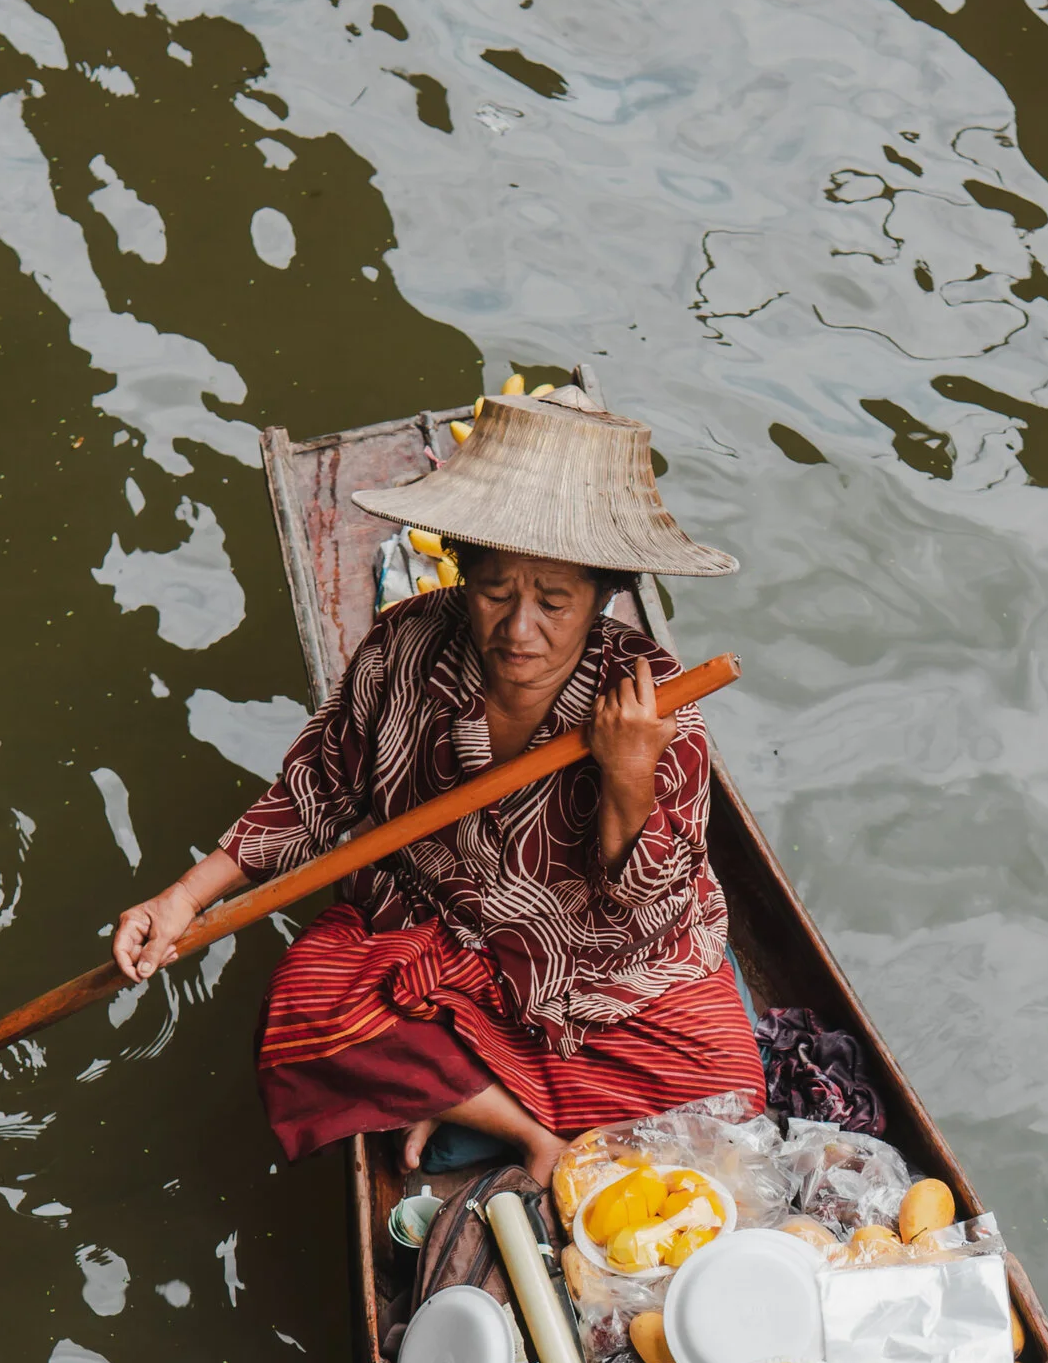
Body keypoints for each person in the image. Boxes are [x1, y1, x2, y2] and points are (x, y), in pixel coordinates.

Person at [109, 391, 761, 1184]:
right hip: (429, 935)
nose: (519, 631)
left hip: (596, 978)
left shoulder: (662, 711)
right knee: (303, 1008)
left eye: (554, 601)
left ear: (603, 596)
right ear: (463, 569)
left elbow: (650, 918)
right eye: (494, 592)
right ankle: (527, 1132)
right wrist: (183, 897)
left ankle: (450, 1094)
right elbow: (316, 788)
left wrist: (626, 778)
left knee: (731, 1094)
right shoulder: (406, 646)